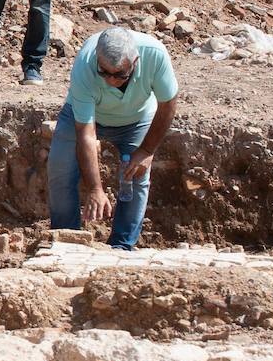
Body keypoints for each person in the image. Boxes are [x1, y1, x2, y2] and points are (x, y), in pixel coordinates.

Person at [48, 27, 179, 250]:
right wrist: (95, 189)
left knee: (137, 174)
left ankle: (122, 246)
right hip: (86, 115)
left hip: (136, 116)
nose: (111, 80)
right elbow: (86, 134)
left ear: (135, 61)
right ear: (98, 59)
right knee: (60, 168)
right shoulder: (85, 63)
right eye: (104, 72)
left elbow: (168, 103)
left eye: (120, 75)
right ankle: (67, 242)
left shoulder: (155, 54)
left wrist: (147, 151)